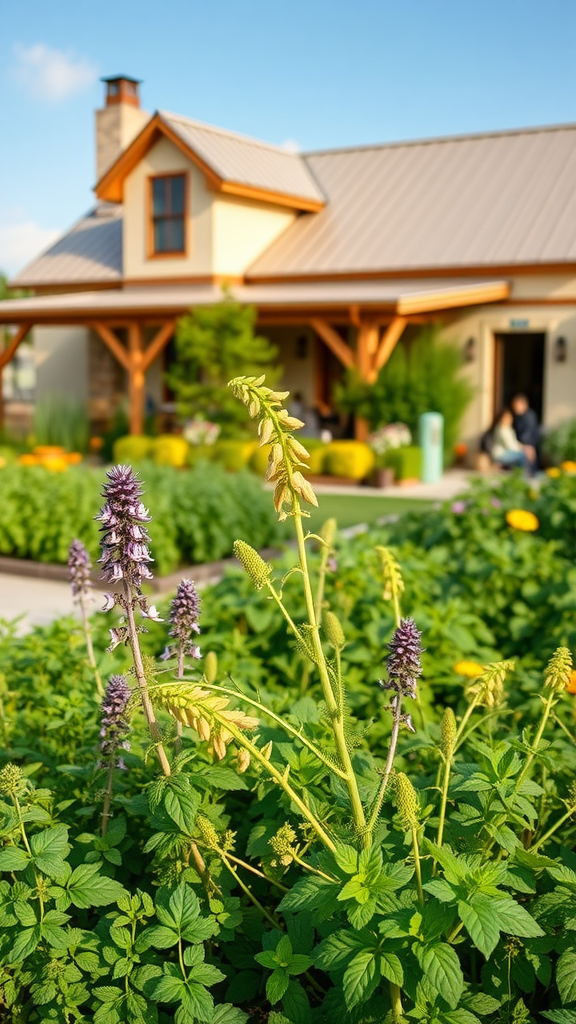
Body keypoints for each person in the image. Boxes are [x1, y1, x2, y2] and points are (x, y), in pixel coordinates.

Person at [511, 393, 540, 468]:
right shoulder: (518, 417)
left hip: (528, 446)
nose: (514, 408)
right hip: (521, 446)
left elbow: (528, 434)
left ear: (524, 404)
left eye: (516, 405)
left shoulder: (529, 416)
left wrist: (523, 445)